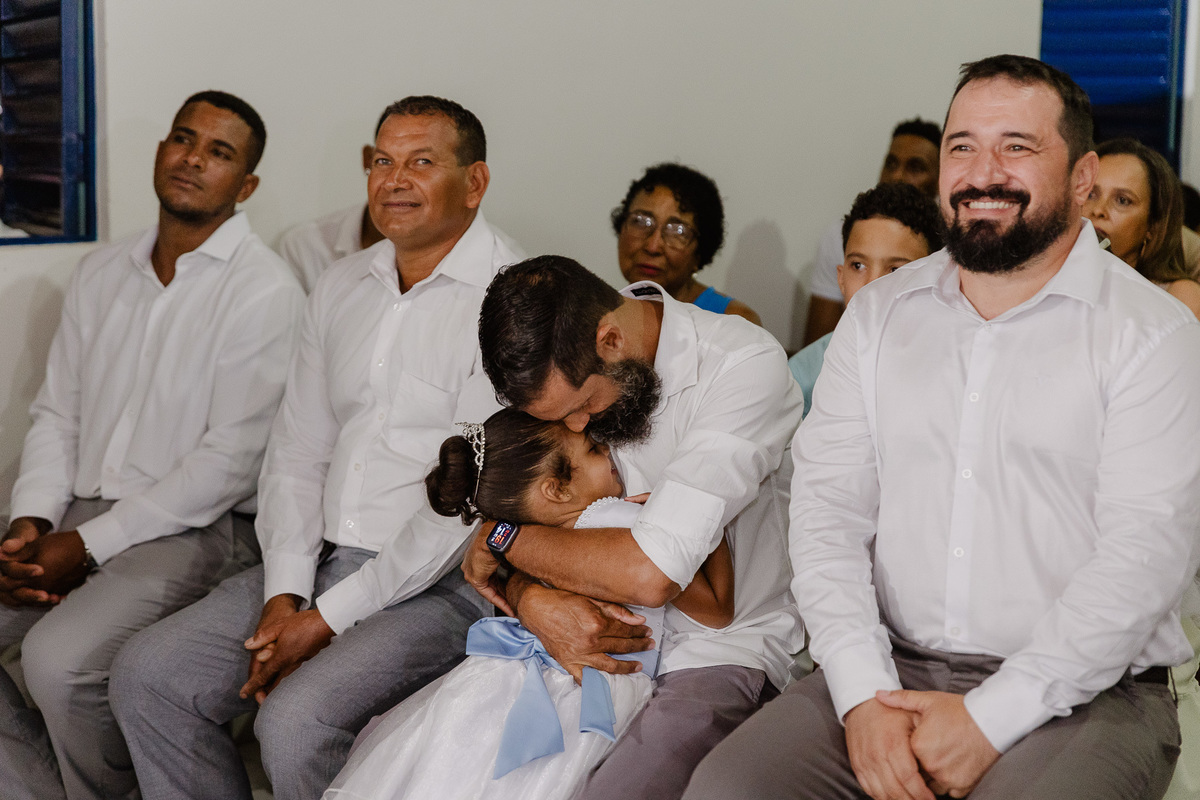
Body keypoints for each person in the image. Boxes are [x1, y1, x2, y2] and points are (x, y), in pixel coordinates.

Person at [684, 54, 1200, 800]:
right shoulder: (879, 314)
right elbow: (827, 513)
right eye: (963, 146)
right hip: (891, 667)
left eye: (1016, 146)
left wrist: (989, 719)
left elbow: (1143, 561)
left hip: (1094, 691)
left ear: (1083, 177)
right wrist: (861, 695)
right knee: (727, 790)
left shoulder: (1152, 334)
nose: (982, 171)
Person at [110, 95, 523, 800]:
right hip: (322, 561)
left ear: (475, 182)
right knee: (150, 677)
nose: (393, 180)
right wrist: (286, 593)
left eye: (421, 163)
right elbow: (298, 451)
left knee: (298, 723)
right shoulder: (340, 285)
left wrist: (324, 620)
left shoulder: (511, 295)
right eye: (382, 161)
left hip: (445, 582)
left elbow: (468, 501)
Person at [0, 90, 303, 800]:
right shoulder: (102, 273)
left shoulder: (265, 292)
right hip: (76, 511)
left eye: (219, 152)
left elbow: (226, 464)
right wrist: (31, 523)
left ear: (246, 185)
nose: (193, 159)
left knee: (55, 659)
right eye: (182, 138)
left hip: (196, 528)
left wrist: (89, 545)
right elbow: (57, 414)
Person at [466, 254, 804, 800]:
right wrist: (527, 594)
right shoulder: (557, 356)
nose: (576, 429)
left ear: (611, 340)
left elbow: (652, 576)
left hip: (718, 647)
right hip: (584, 631)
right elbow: (521, 502)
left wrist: (506, 541)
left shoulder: (742, 365)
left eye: (581, 409)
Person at [324, 408, 733, 800]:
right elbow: (717, 607)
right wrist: (689, 516)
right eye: (593, 450)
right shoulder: (623, 520)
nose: (607, 451)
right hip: (584, 693)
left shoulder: (526, 537)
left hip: (498, 680)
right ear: (556, 489)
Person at [788, 182, 941, 417]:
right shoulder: (801, 378)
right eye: (858, 265)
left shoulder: (950, 366)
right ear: (840, 278)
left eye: (895, 270)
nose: (872, 286)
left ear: (936, 279)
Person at [803, 118, 941, 345]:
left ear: (939, 179)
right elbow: (817, 346)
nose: (897, 176)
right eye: (891, 163)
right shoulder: (841, 234)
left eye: (915, 167)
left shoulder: (956, 247)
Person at [613, 163, 761, 324]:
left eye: (678, 232)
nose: (652, 247)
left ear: (700, 253)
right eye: (641, 222)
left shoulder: (734, 322)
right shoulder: (605, 310)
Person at [1083, 137, 1200, 318]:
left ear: (1153, 225)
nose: (1098, 210)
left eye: (1122, 200)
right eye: (1091, 194)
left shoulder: (1179, 295)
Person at [276, 127, 384, 292]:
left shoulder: (436, 256)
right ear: (368, 159)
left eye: (422, 162)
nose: (398, 180)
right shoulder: (304, 245)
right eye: (385, 160)